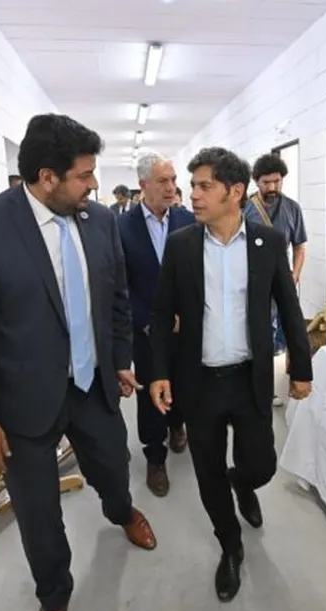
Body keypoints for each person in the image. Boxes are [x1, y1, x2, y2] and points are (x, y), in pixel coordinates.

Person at [0, 113, 157, 611]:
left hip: (92, 386)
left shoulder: (99, 220)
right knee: (38, 514)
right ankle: (54, 598)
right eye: (83, 175)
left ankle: (122, 511)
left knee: (114, 466)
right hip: (23, 403)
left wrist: (120, 359)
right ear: (46, 176)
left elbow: (115, 298)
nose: (94, 185)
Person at [148, 147, 313, 601]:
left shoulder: (267, 243)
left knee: (261, 464)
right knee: (207, 473)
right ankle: (231, 546)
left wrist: (301, 367)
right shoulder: (181, 245)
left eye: (205, 186)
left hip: (249, 378)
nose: (193, 195)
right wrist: (159, 371)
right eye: (192, 186)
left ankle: (244, 482)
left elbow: (289, 308)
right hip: (199, 382)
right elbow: (161, 313)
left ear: (234, 192)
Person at [116, 152, 196, 496]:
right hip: (145, 328)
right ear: (143, 185)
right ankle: (154, 456)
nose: (171, 187)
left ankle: (177, 424)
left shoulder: (188, 221)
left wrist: (186, 313)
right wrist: (148, 320)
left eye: (173, 180)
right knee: (150, 391)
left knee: (182, 382)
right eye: (163, 181)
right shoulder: (121, 227)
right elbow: (120, 285)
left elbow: (197, 274)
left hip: (184, 327)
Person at [243, 153, 308, 405]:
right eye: (266, 182)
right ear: (256, 182)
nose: (272, 187)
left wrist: (294, 275)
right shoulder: (245, 208)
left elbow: (299, 246)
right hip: (251, 282)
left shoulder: (292, 208)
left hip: (283, 281)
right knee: (255, 335)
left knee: (283, 333)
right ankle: (250, 390)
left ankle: (270, 388)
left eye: (276, 181)